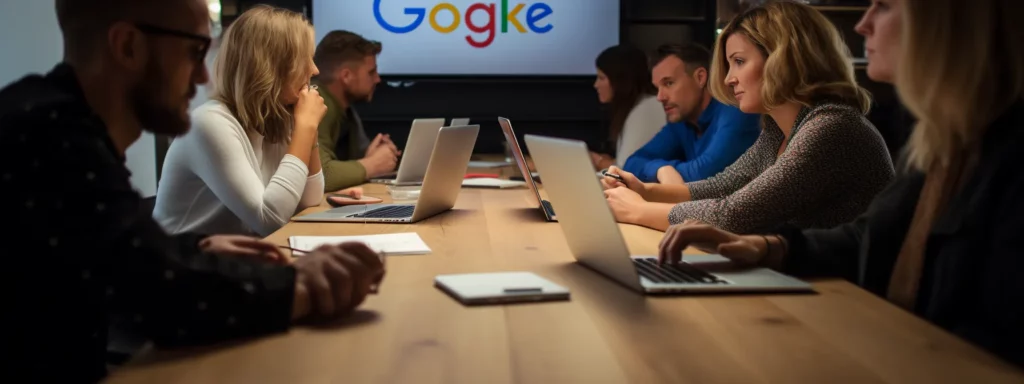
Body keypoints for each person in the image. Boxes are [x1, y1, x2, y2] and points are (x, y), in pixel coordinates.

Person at [0, 2, 384, 381]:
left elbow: (116, 252)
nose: (203, 76)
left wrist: (191, 250)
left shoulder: (57, 124)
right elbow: (157, 290)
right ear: (128, 46)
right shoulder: (48, 137)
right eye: (195, 50)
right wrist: (302, 286)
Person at [657, 0, 1024, 368]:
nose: (863, 24)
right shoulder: (941, 141)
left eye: (882, 7)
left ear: (952, 23)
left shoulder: (834, 126)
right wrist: (768, 247)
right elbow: (866, 239)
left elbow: (990, 342)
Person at [602, 1, 894, 234]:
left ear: (785, 58)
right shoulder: (779, 131)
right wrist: (645, 190)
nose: (729, 79)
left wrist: (639, 210)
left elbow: (734, 214)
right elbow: (721, 186)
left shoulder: (831, 127)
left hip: (849, 296)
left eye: (739, 62)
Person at [154, 5, 346, 237]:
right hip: (180, 266)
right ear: (271, 67)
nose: (314, 70)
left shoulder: (276, 117)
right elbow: (269, 220)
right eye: (304, 59)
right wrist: (305, 127)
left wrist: (309, 129)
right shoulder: (208, 124)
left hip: (227, 262)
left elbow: (310, 199)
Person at [622, 43, 761, 184]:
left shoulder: (736, 109)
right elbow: (632, 164)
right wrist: (660, 169)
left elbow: (703, 174)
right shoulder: (681, 121)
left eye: (669, 83)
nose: (660, 97)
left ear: (700, 78)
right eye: (657, 87)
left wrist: (663, 170)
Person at [312, 30, 400, 191]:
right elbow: (319, 176)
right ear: (346, 76)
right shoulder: (316, 103)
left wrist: (369, 156)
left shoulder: (345, 111)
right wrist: (372, 164)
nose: (377, 79)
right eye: (371, 72)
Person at [589, 44, 665, 171]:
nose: (596, 84)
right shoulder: (638, 107)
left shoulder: (646, 109)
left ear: (620, 80)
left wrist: (596, 160)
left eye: (602, 78)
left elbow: (626, 171)